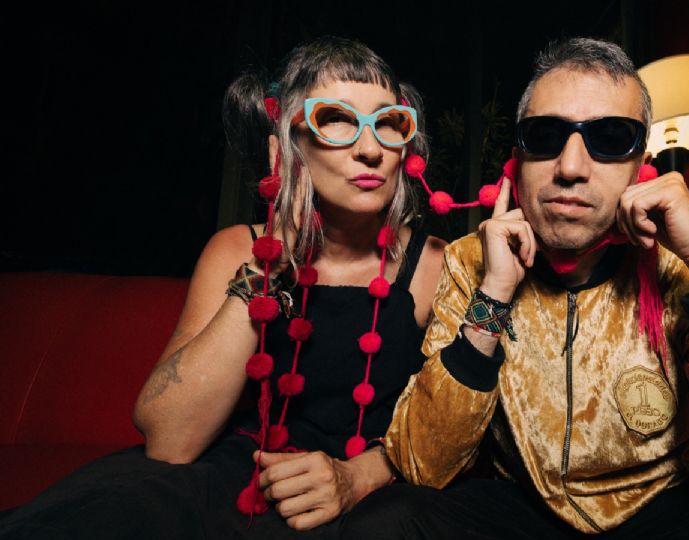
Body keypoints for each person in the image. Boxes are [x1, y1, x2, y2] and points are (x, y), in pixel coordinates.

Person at [346, 38, 689, 538]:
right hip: (522, 508)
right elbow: (422, 463)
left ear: (642, 166)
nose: (571, 166)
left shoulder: (678, 267)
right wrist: (493, 294)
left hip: (669, 508)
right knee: (384, 523)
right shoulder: (472, 262)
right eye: (546, 135)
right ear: (517, 160)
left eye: (610, 138)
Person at [0, 36, 446, 539]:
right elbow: (170, 439)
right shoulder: (236, 249)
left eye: (387, 123)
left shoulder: (435, 264)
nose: (370, 149)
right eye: (336, 119)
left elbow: (455, 430)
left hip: (372, 492)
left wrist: (363, 475)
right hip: (235, 480)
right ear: (285, 148)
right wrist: (273, 258)